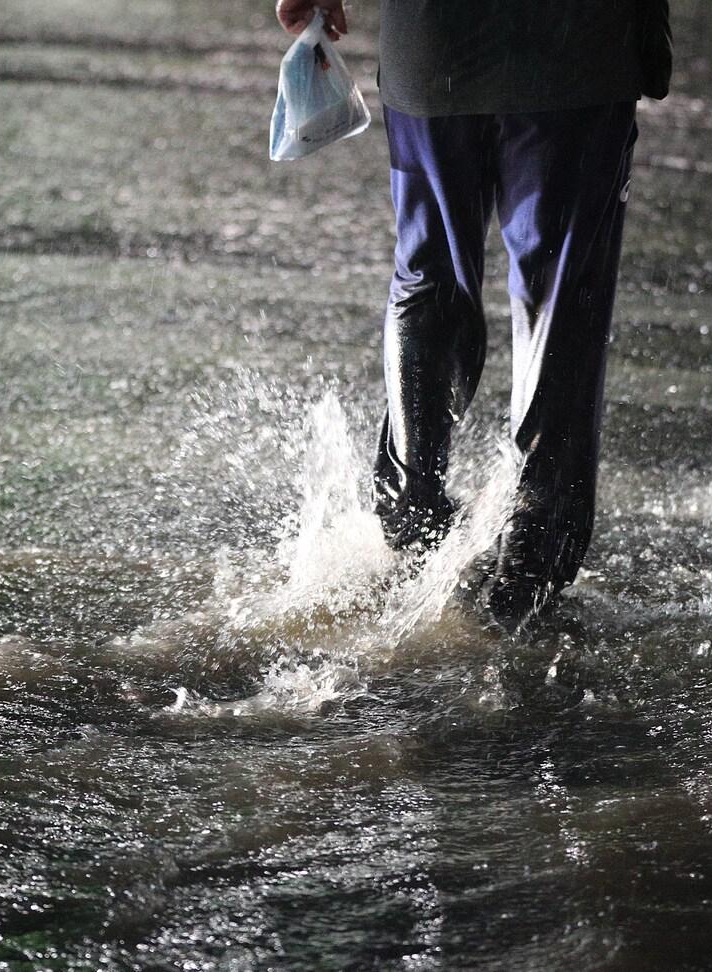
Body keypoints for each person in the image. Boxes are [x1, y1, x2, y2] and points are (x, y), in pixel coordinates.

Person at [277, 0, 672, 633]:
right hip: (576, 50)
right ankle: (530, 570)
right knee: (560, 296)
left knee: (428, 274)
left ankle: (412, 518)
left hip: (437, 42)